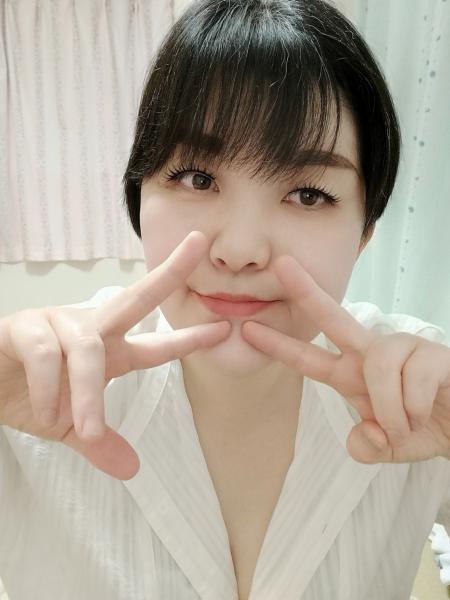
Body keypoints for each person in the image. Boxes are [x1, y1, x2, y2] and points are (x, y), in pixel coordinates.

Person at [0, 0, 449, 598]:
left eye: (308, 193)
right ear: (139, 200)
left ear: (365, 230)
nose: (239, 251)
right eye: (198, 179)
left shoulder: (420, 390)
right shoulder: (31, 386)